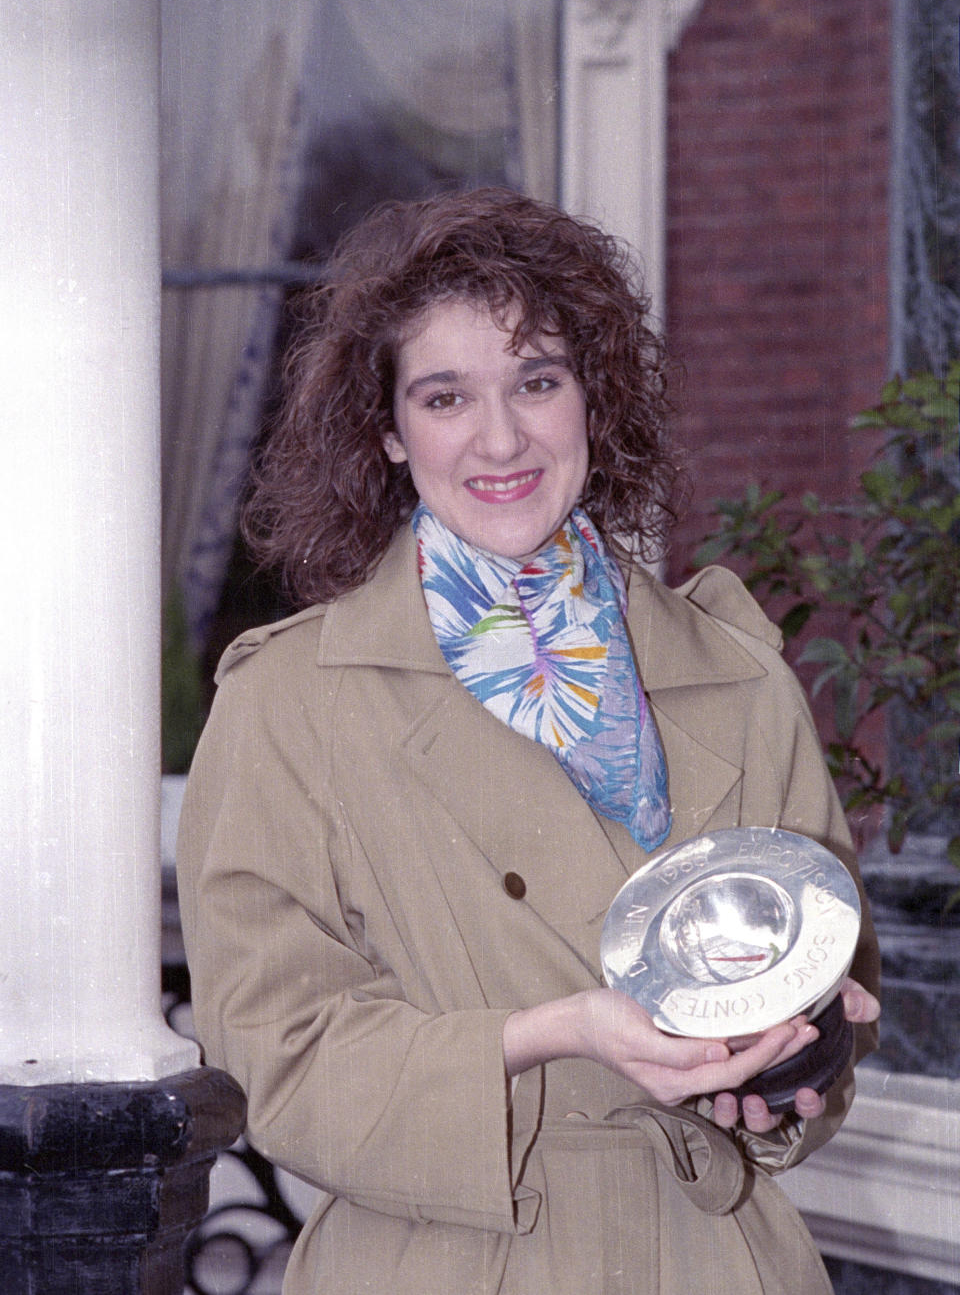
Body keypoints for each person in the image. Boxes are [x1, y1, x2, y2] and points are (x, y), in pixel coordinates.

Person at [177, 186, 880, 1295]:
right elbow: (280, 1058)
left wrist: (794, 1066)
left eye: (538, 382)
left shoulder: (733, 672)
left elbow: (818, 992)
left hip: (718, 1260)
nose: (500, 438)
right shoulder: (290, 702)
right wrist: (558, 1032)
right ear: (389, 434)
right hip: (443, 1264)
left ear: (593, 404)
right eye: (446, 396)